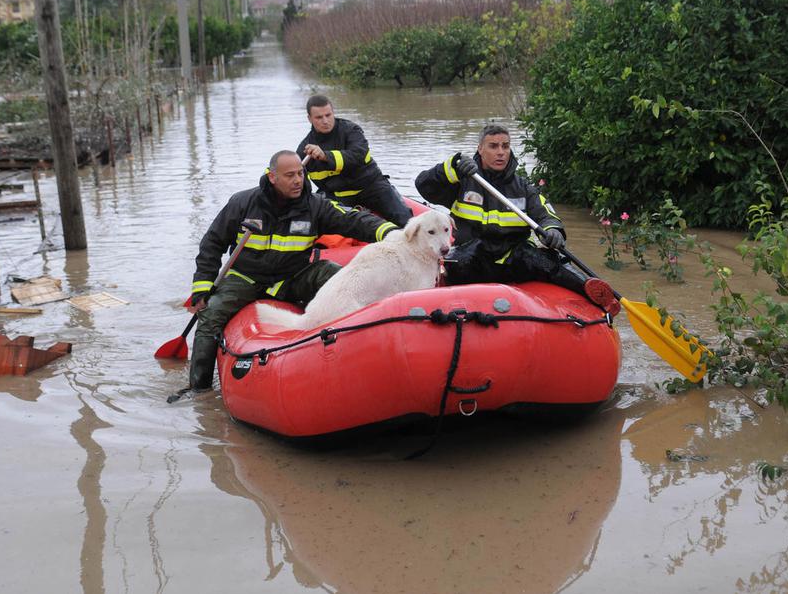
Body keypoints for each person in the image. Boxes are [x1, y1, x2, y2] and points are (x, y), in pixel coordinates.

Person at [187, 150, 399, 392]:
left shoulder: (314, 206)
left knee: (333, 274)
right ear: (272, 177)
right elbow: (212, 243)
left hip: (293, 277)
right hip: (246, 278)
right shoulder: (243, 203)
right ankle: (198, 390)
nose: (298, 180)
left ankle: (362, 348)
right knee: (211, 314)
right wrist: (202, 288)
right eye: (290, 175)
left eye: (300, 173)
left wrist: (391, 233)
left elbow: (354, 220)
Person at [414, 124, 621, 316]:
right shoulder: (463, 181)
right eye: (493, 146)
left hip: (512, 256)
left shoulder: (523, 187)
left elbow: (546, 214)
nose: (501, 152)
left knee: (547, 261)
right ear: (480, 149)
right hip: (473, 254)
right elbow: (424, 185)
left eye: (505, 146)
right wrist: (452, 167)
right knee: (456, 262)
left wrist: (554, 230)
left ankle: (594, 294)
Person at [297, 94, 412, 226]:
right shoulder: (305, 149)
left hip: (372, 187)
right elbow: (294, 176)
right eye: (319, 117)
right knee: (319, 226)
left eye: (328, 115)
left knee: (405, 220)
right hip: (337, 195)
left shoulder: (351, 130)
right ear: (309, 119)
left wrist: (325, 156)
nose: (325, 121)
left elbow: (357, 156)